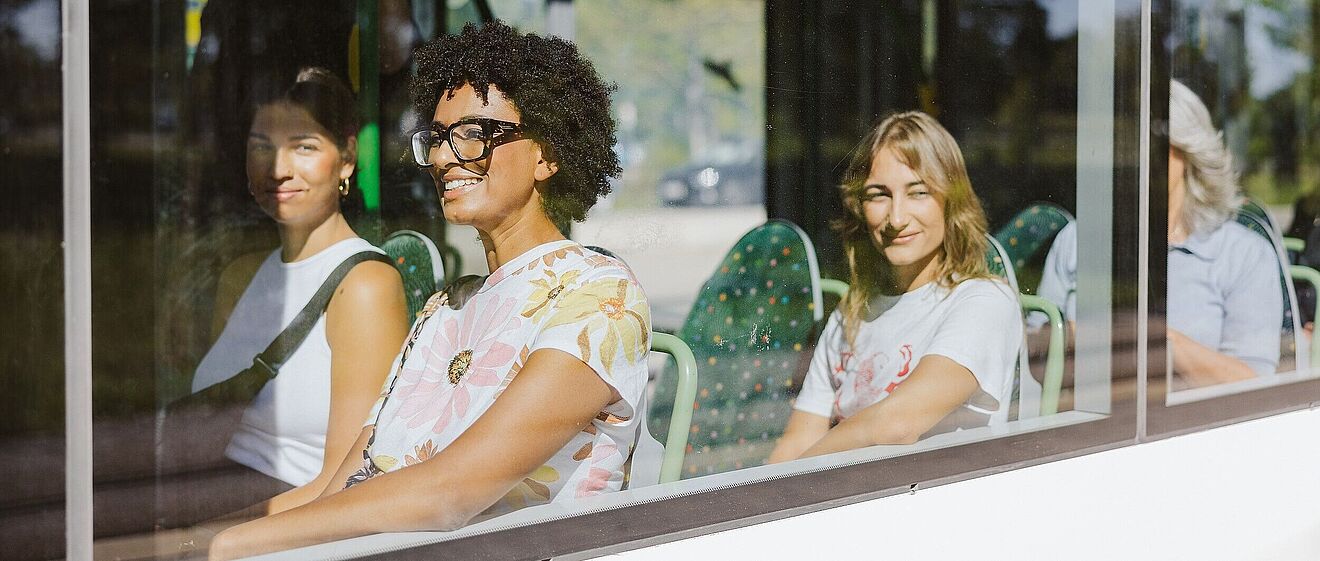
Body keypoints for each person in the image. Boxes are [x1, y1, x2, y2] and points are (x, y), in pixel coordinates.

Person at [207, 22, 650, 560]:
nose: (442, 158)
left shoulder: (598, 296)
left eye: (472, 135)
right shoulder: (447, 305)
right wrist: (193, 540)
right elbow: (343, 485)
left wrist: (231, 544)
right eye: (437, 138)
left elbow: (449, 495)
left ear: (547, 154)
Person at [184, 67, 409, 518]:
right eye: (261, 146)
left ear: (347, 158)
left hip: (282, 526)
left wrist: (199, 539)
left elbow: (345, 482)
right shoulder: (242, 274)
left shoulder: (364, 285)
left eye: (304, 146)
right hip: (208, 496)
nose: (278, 169)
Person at [768, 112, 1021, 463]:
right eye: (878, 195)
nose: (897, 219)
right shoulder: (852, 312)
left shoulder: (983, 302)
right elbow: (794, 444)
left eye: (919, 192)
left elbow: (898, 424)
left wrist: (801, 471)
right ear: (859, 208)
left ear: (951, 201)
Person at [1035, 80, 1283, 388]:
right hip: (1084, 426)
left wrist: (1158, 339)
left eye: (1153, 142)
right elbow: (1035, 354)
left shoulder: (1243, 254)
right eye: (1125, 140)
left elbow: (1253, 385)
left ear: (1189, 151)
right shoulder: (1077, 240)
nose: (1137, 154)